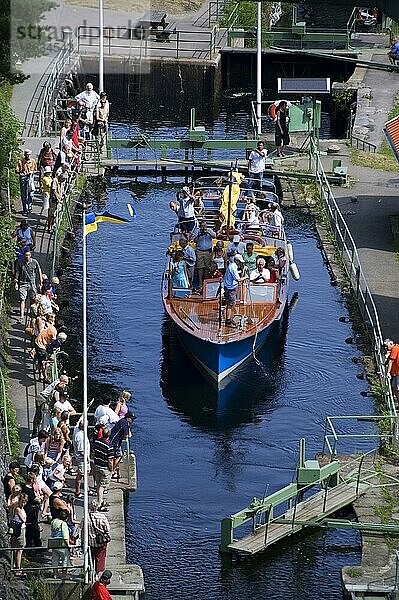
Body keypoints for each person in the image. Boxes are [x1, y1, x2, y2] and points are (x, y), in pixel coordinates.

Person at [84, 500, 111, 579]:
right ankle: (97, 574)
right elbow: (107, 529)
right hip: (101, 542)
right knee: (100, 558)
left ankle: (90, 573)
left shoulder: (86, 517)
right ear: (98, 507)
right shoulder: (102, 517)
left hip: (90, 542)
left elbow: (82, 528)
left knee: (90, 558)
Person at [15, 250, 43, 323]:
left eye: (28, 255)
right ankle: (21, 316)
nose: (27, 256)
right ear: (24, 255)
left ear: (30, 255)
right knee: (22, 299)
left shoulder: (34, 262)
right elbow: (17, 272)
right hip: (23, 283)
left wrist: (40, 280)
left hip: (32, 284)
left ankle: (31, 314)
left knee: (32, 299)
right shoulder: (20, 262)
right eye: (26, 255)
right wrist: (16, 282)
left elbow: (39, 270)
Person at [223, 253, 248, 328]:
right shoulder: (233, 268)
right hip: (230, 290)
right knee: (230, 305)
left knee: (229, 304)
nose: (241, 263)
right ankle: (228, 322)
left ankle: (229, 319)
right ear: (237, 261)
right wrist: (245, 277)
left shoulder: (232, 265)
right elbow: (238, 280)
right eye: (240, 261)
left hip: (228, 288)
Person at [92, 427, 114, 509]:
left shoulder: (97, 442)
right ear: (109, 435)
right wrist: (111, 470)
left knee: (98, 484)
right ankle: (99, 503)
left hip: (97, 465)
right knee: (102, 486)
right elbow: (110, 461)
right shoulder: (109, 446)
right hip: (104, 468)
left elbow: (93, 453)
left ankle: (100, 500)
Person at [8, 493, 28, 576]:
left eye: (25, 502)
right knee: (20, 549)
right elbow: (23, 519)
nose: (23, 504)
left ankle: (14, 566)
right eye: (22, 502)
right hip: (20, 529)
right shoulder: (18, 509)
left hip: (15, 529)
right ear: (19, 500)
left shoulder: (16, 505)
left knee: (15, 549)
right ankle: (18, 569)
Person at [50, 508, 71, 575]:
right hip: (61, 543)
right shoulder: (63, 524)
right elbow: (65, 536)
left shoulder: (54, 521)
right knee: (65, 559)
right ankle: (64, 574)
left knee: (55, 559)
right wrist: (68, 545)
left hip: (53, 542)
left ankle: (55, 573)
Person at [194, 221, 216, 286]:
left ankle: (205, 281)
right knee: (199, 267)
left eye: (205, 226)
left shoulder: (209, 230)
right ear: (200, 226)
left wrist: (208, 232)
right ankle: (200, 282)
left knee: (207, 267)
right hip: (199, 251)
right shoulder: (197, 231)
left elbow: (214, 236)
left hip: (208, 251)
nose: (203, 227)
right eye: (202, 226)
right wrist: (199, 235)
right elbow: (194, 240)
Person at [16, 149, 37, 215]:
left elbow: (35, 170)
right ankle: (25, 209)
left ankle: (29, 206)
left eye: (29, 154)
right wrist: (20, 172)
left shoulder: (33, 161)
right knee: (24, 194)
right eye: (27, 154)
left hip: (30, 177)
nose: (28, 156)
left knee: (31, 193)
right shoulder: (21, 161)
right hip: (23, 177)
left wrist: (32, 172)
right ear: (24, 155)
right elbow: (17, 170)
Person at [73, 419, 85, 498]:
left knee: (84, 473)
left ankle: (85, 488)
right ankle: (77, 491)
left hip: (80, 458)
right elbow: (81, 451)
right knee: (80, 475)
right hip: (81, 458)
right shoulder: (80, 436)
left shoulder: (77, 430)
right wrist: (87, 457)